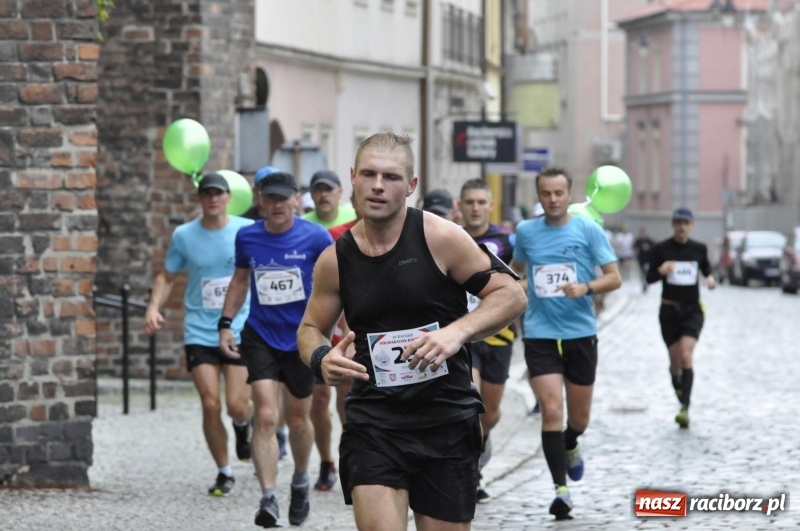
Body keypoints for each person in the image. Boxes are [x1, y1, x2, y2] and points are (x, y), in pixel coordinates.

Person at [297, 132, 527, 531]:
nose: (378, 185)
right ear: (353, 177)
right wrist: (321, 357)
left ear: (411, 186)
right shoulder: (335, 259)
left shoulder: (440, 237)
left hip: (445, 421)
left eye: (391, 176)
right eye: (368, 174)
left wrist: (456, 333)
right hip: (375, 423)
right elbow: (310, 328)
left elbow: (511, 295)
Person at [218, 171, 333, 528]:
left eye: (284, 198)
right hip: (261, 334)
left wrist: (340, 326)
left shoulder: (316, 237)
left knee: (298, 417)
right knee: (266, 415)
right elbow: (240, 282)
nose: (278, 205)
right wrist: (225, 323)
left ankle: (300, 480)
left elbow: (335, 284)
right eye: (271, 198)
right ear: (260, 200)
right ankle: (268, 497)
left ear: (296, 199)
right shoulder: (248, 237)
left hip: (303, 337)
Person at [510, 167, 621, 520]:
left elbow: (614, 278)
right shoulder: (526, 231)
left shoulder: (588, 228)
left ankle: (572, 442)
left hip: (579, 333)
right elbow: (518, 274)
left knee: (579, 419)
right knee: (552, 412)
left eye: (559, 193)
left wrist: (585, 288)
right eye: (546, 194)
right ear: (539, 197)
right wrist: (510, 291)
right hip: (540, 332)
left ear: (569, 194)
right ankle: (561, 491)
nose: (553, 199)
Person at [143, 173, 254, 497]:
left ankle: (242, 426)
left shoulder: (244, 231)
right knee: (209, 402)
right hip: (199, 331)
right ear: (199, 198)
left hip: (237, 327)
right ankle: (224, 471)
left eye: (218, 193)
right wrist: (153, 308)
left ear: (228, 197)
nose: (213, 199)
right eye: (207, 193)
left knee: (236, 404)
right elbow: (167, 276)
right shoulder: (184, 235)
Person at [458, 178, 516, 503]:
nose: (476, 208)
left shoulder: (506, 240)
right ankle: (471, 472)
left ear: (490, 205)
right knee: (472, 400)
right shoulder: (451, 237)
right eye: (470, 202)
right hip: (464, 334)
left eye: (481, 202)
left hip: (498, 335)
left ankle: (485, 440)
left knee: (490, 413)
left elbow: (517, 281)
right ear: (461, 205)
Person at [646, 208, 716, 429]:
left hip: (692, 311)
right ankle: (678, 385)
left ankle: (685, 407)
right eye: (678, 223)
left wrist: (711, 280)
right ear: (673, 225)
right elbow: (649, 278)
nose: (682, 227)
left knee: (686, 354)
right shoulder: (662, 249)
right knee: (674, 362)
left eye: (686, 223)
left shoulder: (699, 249)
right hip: (668, 311)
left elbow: (707, 271)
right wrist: (661, 270)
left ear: (692, 225)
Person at [634, 228, 656, 293]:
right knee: (642, 273)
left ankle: (646, 283)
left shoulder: (649, 241)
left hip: (648, 259)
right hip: (641, 259)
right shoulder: (638, 241)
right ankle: (644, 284)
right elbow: (634, 247)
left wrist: (648, 248)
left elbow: (654, 248)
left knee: (646, 272)